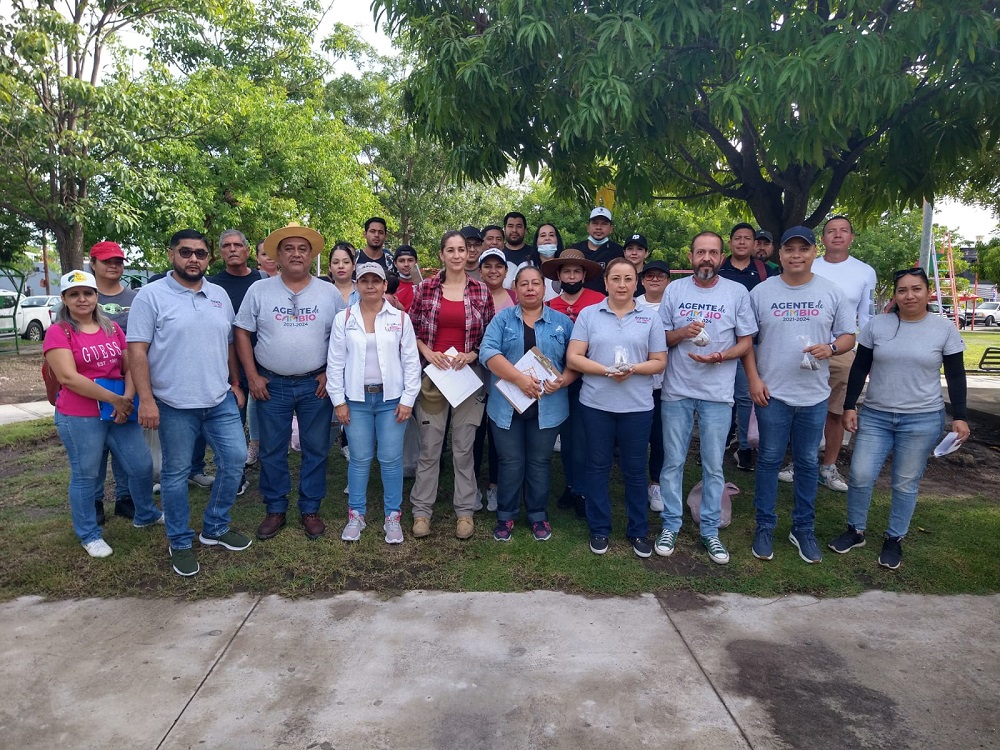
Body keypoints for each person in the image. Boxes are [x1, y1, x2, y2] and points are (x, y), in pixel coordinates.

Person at [128, 229, 252, 577]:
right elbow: (136, 351)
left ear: (208, 258)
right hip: (172, 403)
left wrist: (235, 383)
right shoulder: (150, 296)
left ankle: (215, 525)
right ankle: (180, 541)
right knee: (176, 474)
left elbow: (228, 342)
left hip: (219, 399)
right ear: (171, 255)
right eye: (186, 252)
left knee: (235, 459)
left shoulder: (219, 295)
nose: (193, 259)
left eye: (200, 253)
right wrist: (147, 400)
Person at [829, 267, 969, 569]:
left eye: (916, 289)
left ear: (927, 293)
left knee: (905, 482)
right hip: (877, 415)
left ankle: (895, 538)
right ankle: (856, 530)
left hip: (922, 418)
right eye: (902, 290)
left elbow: (956, 374)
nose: (909, 295)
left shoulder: (943, 329)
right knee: (861, 474)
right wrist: (850, 406)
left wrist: (960, 416)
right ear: (895, 295)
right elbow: (859, 368)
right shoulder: (877, 326)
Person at [743, 226, 856, 565]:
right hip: (772, 393)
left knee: (807, 462)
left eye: (803, 249)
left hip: (814, 394)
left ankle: (803, 528)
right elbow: (747, 341)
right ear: (780, 254)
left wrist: (831, 347)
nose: (796, 255)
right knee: (768, 460)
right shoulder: (761, 293)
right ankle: (765, 525)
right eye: (789, 249)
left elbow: (849, 336)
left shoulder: (832, 292)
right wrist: (753, 380)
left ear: (812, 253)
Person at [235, 223, 345, 541]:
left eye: (302, 248)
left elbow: (343, 336)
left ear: (311, 255)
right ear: (278, 256)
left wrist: (330, 373)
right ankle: (275, 508)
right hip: (271, 384)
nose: (296, 254)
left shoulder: (328, 293)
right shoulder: (260, 290)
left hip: (316, 384)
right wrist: (252, 375)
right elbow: (241, 331)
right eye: (289, 249)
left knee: (316, 448)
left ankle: (310, 508)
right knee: (271, 449)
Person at [44, 270, 163, 559]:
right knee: (86, 475)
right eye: (74, 294)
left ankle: (145, 514)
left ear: (97, 296)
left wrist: (128, 399)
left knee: (141, 466)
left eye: (87, 293)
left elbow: (130, 365)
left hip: (119, 409)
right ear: (65, 299)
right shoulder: (59, 332)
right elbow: (68, 377)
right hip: (80, 415)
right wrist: (116, 400)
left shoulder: (111, 328)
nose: (82, 299)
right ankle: (89, 533)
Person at [655, 233, 756, 564]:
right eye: (701, 252)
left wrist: (721, 356)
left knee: (714, 465)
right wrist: (683, 333)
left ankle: (710, 530)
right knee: (673, 461)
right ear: (690, 256)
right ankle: (670, 524)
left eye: (713, 252)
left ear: (722, 258)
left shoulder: (737, 292)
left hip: (717, 393)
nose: (707, 258)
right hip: (677, 390)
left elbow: (746, 342)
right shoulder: (675, 290)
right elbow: (660, 339)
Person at [567, 257, 667, 558]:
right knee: (597, 466)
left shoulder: (650, 318)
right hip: (596, 403)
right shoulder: (589, 314)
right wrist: (606, 370)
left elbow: (660, 361)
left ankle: (638, 530)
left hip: (637, 406)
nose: (622, 285)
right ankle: (599, 528)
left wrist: (633, 369)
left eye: (627, 279)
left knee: (635, 470)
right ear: (606, 282)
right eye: (615, 279)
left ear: (635, 282)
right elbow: (574, 358)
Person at [408, 230, 495, 540]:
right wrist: (429, 353)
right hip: (434, 376)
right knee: (430, 448)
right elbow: (411, 329)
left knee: (464, 448)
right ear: (442, 255)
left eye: (462, 250)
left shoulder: (481, 291)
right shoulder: (425, 289)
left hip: (468, 378)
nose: (458, 255)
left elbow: (489, 336)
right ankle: (421, 511)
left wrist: (472, 353)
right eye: (451, 250)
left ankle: (465, 511)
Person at [328, 263, 421, 543]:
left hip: (391, 399)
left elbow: (411, 363)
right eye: (364, 280)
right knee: (359, 458)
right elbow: (334, 364)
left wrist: (408, 399)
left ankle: (392, 516)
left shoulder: (400, 319)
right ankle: (356, 514)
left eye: (376, 281)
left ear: (384, 285)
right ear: (356, 284)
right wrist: (338, 401)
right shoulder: (343, 319)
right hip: (356, 400)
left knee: (391, 460)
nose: (370, 286)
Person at [480, 266, 575, 542]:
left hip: (548, 405)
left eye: (536, 283)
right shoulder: (502, 320)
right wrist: (519, 379)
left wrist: (564, 380)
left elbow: (575, 361)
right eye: (524, 284)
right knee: (510, 462)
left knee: (539, 462)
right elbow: (488, 353)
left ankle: (537, 515)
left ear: (544, 289)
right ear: (516, 288)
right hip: (506, 405)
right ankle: (506, 516)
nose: (530, 288)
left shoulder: (562, 323)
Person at [807, 215, 878, 492]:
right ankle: (802, 461)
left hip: (842, 350)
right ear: (822, 239)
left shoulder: (864, 272)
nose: (837, 235)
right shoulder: (810, 266)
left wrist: (868, 355)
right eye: (830, 231)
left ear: (851, 237)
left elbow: (867, 316)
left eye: (843, 231)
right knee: (804, 409)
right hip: (807, 350)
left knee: (835, 411)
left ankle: (828, 466)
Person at [543, 249, 605, 516]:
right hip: (558, 379)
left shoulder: (599, 302)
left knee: (586, 439)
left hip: (590, 379)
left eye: (576, 271)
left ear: (584, 275)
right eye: (566, 271)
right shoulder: (549, 305)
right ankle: (571, 484)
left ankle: (584, 489)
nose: (571, 275)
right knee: (567, 438)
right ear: (558, 275)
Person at [209, 229, 265, 489]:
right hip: (227, 362)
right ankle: (235, 474)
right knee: (233, 419)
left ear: (247, 251)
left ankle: (269, 469)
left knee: (267, 417)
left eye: (237, 245)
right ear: (220, 252)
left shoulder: (262, 280)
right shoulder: (211, 285)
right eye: (226, 245)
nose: (232, 249)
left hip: (264, 360)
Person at [88, 240, 139, 522]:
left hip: (127, 379)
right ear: (93, 264)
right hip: (91, 383)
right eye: (106, 261)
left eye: (118, 261)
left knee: (124, 440)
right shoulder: (84, 296)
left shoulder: (135, 299)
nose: (113, 266)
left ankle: (124, 497)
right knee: (96, 446)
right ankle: (95, 501)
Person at [718, 222, 770, 471]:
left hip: (751, 343)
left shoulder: (764, 271)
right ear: (730, 242)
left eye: (747, 238)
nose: (741, 242)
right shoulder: (718, 267)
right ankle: (718, 444)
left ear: (753, 243)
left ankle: (745, 448)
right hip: (718, 342)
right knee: (719, 396)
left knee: (745, 396)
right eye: (737, 238)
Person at [474, 247, 514, 510]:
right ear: (480, 271)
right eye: (487, 266)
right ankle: (473, 485)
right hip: (476, 373)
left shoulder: (515, 297)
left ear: (506, 271)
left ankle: (495, 486)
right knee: (474, 433)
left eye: (498, 266)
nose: (493, 270)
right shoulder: (471, 294)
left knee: (500, 432)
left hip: (506, 376)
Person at [635, 260, 670, 511]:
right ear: (642, 279)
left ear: (668, 280)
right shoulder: (633, 304)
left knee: (660, 437)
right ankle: (635, 482)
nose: (655, 280)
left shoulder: (673, 305)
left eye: (660, 276)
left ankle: (656, 482)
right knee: (637, 437)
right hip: (635, 381)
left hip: (666, 383)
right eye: (650, 276)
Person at [562, 207, 624, 294]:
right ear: (588, 227)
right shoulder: (575, 250)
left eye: (604, 224)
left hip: (608, 302)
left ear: (611, 229)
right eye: (595, 223)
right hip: (579, 302)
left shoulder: (618, 252)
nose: (599, 227)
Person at [501, 211, 540, 287]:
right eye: (510, 226)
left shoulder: (535, 253)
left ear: (525, 231)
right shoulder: (498, 254)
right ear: (504, 230)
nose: (514, 230)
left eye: (519, 226)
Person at [326, 241, 360, 305]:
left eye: (346, 262)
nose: (341, 266)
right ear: (330, 267)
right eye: (336, 262)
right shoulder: (323, 293)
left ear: (354, 266)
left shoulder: (363, 290)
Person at [392, 245, 421, 312]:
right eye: (401, 261)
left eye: (410, 260)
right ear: (395, 263)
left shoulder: (425, 285)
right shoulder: (389, 286)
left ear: (416, 262)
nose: (406, 264)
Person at [623, 233, 650, 297]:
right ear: (624, 252)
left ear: (646, 253)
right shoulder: (616, 274)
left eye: (639, 249)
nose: (634, 253)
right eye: (630, 248)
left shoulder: (651, 276)